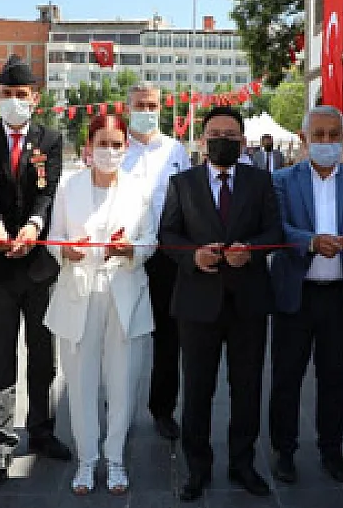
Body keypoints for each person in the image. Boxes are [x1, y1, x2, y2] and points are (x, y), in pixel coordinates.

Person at [158, 106, 284, 502]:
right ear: (202, 139)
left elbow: (274, 229)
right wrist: (193, 256)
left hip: (248, 301)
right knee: (197, 390)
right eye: (216, 133)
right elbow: (168, 234)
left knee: (246, 389)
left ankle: (243, 463)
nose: (223, 140)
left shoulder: (260, 181)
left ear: (242, 141)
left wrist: (253, 250)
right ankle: (197, 467)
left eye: (231, 135)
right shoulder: (183, 183)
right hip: (198, 303)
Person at [0, 54, 69, 486]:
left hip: (38, 267)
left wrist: (32, 226)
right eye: (7, 94)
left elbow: (48, 193)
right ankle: (3, 441)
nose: (14, 101)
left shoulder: (51, 138)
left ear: (35, 98)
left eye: (21, 95)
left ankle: (41, 430)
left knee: (42, 355)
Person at [267, 106, 343, 486]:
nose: (326, 143)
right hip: (295, 293)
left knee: (335, 377)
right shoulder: (282, 180)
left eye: (334, 135)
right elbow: (277, 229)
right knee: (287, 376)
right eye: (318, 136)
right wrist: (312, 242)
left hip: (340, 296)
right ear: (303, 140)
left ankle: (332, 449)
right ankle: (284, 451)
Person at [44, 115, 157, 496]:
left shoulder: (140, 188)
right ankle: (87, 459)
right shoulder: (68, 186)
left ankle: (116, 459)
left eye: (116, 144)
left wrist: (132, 250)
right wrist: (65, 251)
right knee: (80, 383)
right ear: (88, 147)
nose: (109, 152)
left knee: (123, 382)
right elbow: (54, 236)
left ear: (126, 147)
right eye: (102, 144)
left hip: (124, 293)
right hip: (78, 294)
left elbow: (151, 239)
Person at [121, 83, 191, 441]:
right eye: (140, 105)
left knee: (168, 336)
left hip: (167, 255)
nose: (146, 110)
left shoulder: (176, 150)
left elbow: (189, 200)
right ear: (128, 106)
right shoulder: (115, 147)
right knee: (122, 333)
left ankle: (162, 409)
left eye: (152, 105)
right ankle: (118, 406)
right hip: (124, 254)